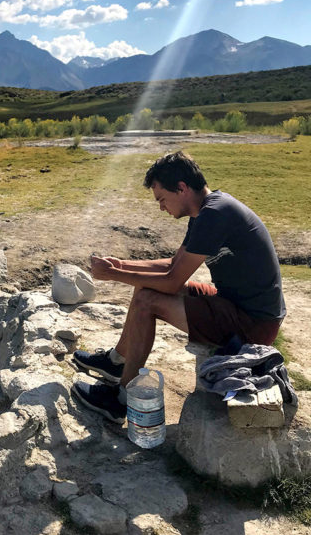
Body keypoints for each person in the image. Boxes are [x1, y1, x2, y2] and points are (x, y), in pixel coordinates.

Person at [71, 150, 286, 424]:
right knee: (145, 290)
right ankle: (115, 362)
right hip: (234, 305)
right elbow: (174, 265)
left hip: (254, 325)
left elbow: (172, 281)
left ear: (182, 188)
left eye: (162, 199)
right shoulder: (206, 211)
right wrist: (121, 266)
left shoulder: (214, 214)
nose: (161, 207)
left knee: (148, 301)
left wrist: (113, 275)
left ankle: (120, 401)